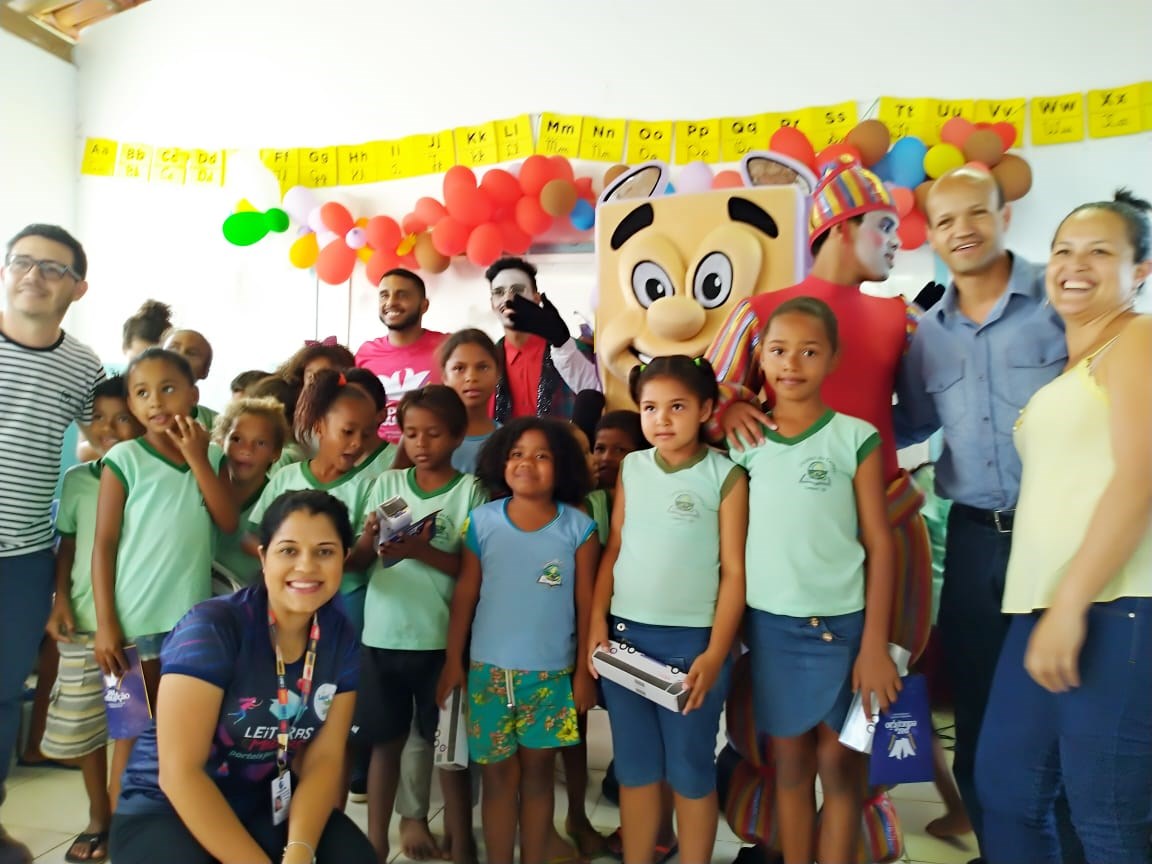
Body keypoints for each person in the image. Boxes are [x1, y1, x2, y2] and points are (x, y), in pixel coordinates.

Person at [893, 166, 1067, 856]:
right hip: (971, 542)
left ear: (1005, 217)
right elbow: (910, 422)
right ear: (931, 234)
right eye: (944, 220)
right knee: (979, 716)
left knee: (1066, 712)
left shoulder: (1058, 301)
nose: (960, 230)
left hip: (1058, 537)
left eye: (976, 214)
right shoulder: (926, 334)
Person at [975, 191, 1152, 864]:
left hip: (1115, 606)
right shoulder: (1071, 368)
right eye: (1063, 252)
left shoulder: (1139, 339)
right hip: (1044, 608)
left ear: (1140, 270)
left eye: (1101, 252)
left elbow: (1139, 478)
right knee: (1008, 796)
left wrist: (1072, 603)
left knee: (1107, 820)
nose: (1075, 266)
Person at [707, 158, 933, 661]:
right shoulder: (756, 312)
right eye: (885, 226)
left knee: (878, 682)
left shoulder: (905, 318)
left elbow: (920, 418)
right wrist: (728, 410)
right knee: (777, 671)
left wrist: (860, 445)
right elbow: (699, 397)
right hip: (785, 526)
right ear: (842, 227)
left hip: (880, 517)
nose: (896, 241)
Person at [107, 490, 377, 863]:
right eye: (288, 550)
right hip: (165, 807)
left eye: (324, 551)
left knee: (353, 857)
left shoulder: (340, 637)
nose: (306, 566)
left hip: (262, 802)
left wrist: (300, 850)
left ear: (344, 560)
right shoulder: (213, 628)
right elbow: (179, 773)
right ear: (264, 557)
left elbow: (325, 758)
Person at [729, 299, 901, 864]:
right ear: (760, 357)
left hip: (847, 630)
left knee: (841, 766)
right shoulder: (742, 443)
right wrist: (728, 405)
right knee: (792, 765)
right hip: (773, 631)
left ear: (833, 359)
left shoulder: (855, 438)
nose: (792, 363)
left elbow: (880, 543)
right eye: (778, 350)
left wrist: (875, 645)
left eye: (809, 351)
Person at [589, 355, 748, 864]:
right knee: (636, 767)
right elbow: (613, 548)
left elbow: (734, 573)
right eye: (650, 407)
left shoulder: (726, 476)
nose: (661, 419)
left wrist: (716, 652)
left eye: (676, 406)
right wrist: (597, 623)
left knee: (689, 768)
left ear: (705, 409)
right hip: (626, 640)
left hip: (694, 645)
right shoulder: (633, 467)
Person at [437, 418, 599, 864]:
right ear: (501, 463)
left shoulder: (579, 528)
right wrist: (455, 661)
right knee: (496, 781)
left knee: (539, 780)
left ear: (561, 467)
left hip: (550, 675)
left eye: (541, 455)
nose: (527, 462)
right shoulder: (482, 522)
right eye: (516, 454)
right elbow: (466, 595)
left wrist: (585, 675)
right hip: (487, 673)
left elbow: (588, 607)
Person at [0, 224, 106, 864]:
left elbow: (111, 439)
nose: (33, 275)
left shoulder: (84, 365)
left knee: (2, 692)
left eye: (52, 268)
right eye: (22, 262)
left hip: (22, 557)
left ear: (78, 287)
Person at [91, 348, 237, 805]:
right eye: (142, 393)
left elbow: (228, 520)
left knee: (181, 733)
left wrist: (197, 457)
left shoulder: (211, 456)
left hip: (190, 625)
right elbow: (104, 544)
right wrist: (106, 624)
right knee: (130, 732)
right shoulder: (124, 459)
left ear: (194, 395)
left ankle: (170, 824)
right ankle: (118, 831)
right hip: (132, 627)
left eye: (168, 389)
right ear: (132, 405)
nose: (156, 402)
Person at [349, 386, 486, 864]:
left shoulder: (471, 492)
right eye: (411, 433)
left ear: (457, 436)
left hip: (438, 641)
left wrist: (421, 550)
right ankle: (374, 842)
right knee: (384, 744)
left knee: (448, 747)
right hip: (382, 636)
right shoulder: (387, 486)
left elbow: (470, 572)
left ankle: (461, 839)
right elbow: (361, 561)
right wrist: (370, 543)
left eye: (433, 433)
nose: (421, 443)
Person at [40, 375, 141, 863]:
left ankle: (120, 820)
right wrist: (59, 598)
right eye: (98, 417)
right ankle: (97, 813)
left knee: (128, 723)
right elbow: (70, 545)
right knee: (83, 727)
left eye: (121, 416)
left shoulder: (151, 476)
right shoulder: (78, 479)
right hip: (82, 622)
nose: (108, 427)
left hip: (135, 625)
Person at [249, 370, 378, 639]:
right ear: (319, 425)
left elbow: (359, 560)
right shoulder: (287, 476)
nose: (357, 444)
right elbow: (252, 536)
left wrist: (369, 536)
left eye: (366, 435)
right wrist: (286, 564)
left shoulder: (369, 486)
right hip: (286, 599)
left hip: (344, 601)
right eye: (347, 431)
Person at [485, 257, 601, 421]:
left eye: (517, 290)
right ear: (492, 303)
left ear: (536, 298)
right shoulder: (485, 361)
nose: (507, 299)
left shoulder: (575, 352)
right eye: (499, 292)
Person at [355, 268, 449, 444]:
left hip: (431, 456)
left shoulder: (448, 347)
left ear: (424, 305)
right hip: (376, 460)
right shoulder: (365, 353)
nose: (391, 302)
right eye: (384, 295)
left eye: (402, 295)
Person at [211, 397, 289, 592]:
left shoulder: (278, 505)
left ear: (276, 452)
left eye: (260, 443)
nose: (246, 450)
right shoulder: (206, 487)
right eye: (237, 439)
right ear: (221, 442)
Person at [438, 328, 501, 474]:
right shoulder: (426, 438)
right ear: (444, 376)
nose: (471, 377)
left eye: (482, 367)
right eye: (459, 368)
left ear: (498, 374)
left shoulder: (508, 441)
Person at [163, 329, 217, 429]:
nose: (179, 356)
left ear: (204, 371)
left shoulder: (216, 424)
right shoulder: (132, 410)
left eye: (191, 353)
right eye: (172, 348)